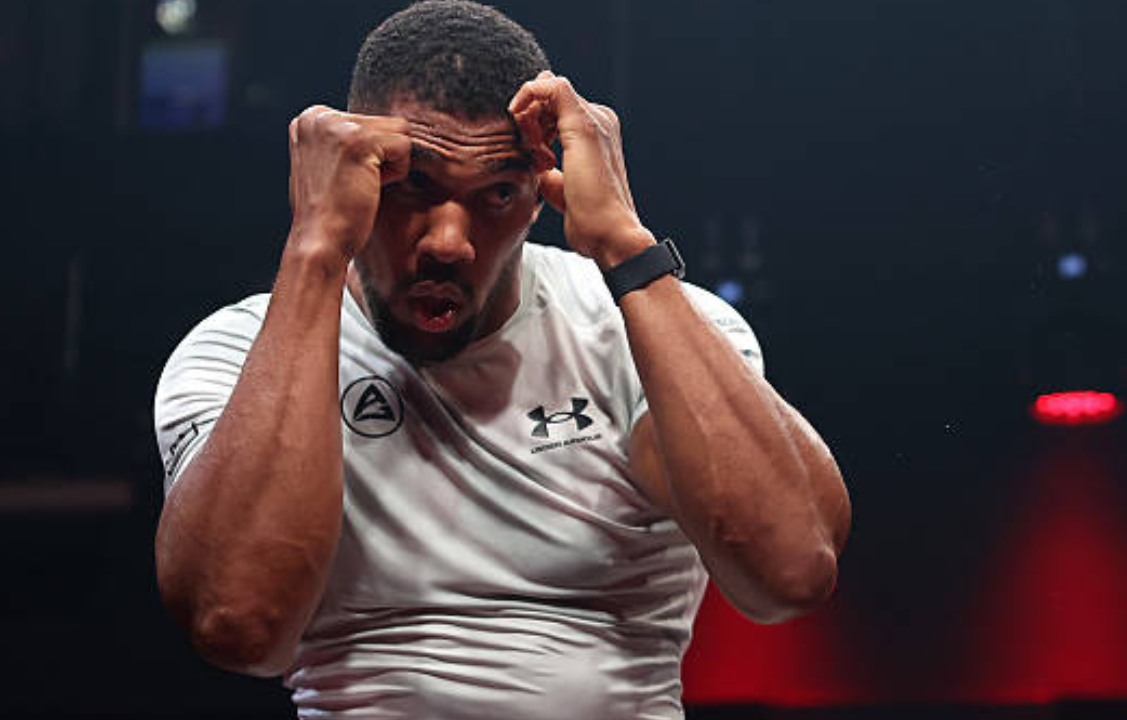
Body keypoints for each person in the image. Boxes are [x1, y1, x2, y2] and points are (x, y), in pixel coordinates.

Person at [152, 2, 851, 717]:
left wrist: (625, 245)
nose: (449, 241)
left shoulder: (640, 325)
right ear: (351, 175)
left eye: (497, 193)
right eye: (413, 185)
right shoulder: (239, 351)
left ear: (539, 194)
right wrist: (315, 248)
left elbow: (790, 572)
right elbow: (239, 626)